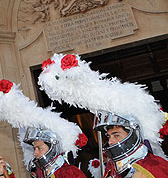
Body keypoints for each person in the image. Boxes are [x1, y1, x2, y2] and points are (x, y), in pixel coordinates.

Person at [39, 53, 168, 178]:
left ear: (133, 135)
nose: (110, 141)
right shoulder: (112, 168)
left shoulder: (154, 167)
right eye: (109, 136)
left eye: (116, 135)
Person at [0, 79, 87, 178]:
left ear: (53, 148)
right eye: (34, 148)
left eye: (39, 148)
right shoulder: (40, 174)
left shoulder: (68, 172)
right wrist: (0, 174)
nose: (35, 153)